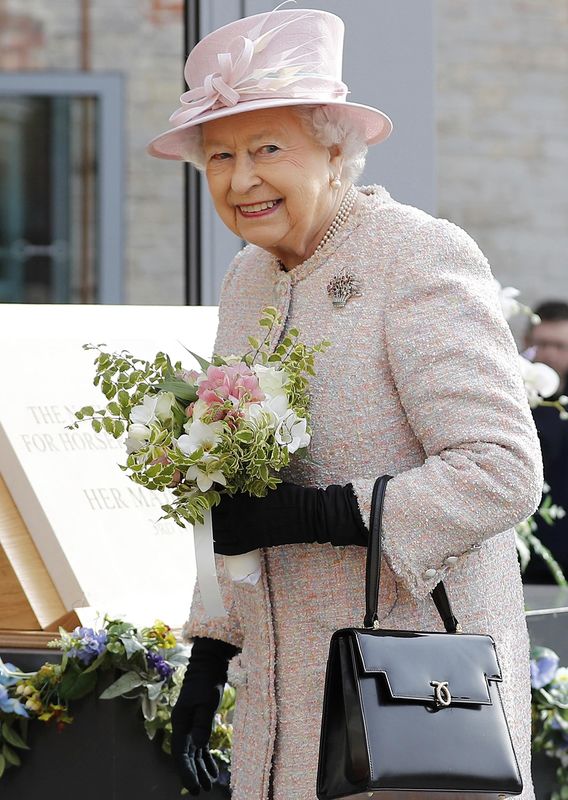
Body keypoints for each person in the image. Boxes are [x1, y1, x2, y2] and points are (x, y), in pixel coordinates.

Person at [147, 8, 543, 800]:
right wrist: (210, 652)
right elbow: (231, 488)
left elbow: (503, 471)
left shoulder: (416, 254)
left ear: (336, 152)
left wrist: (326, 516)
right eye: (219, 156)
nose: (241, 178)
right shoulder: (247, 280)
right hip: (278, 702)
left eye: (267, 149)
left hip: (413, 691)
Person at [523, 301, 568, 582]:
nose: (549, 354)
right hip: (524, 549)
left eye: (560, 346)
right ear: (527, 342)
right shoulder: (508, 391)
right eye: (542, 344)